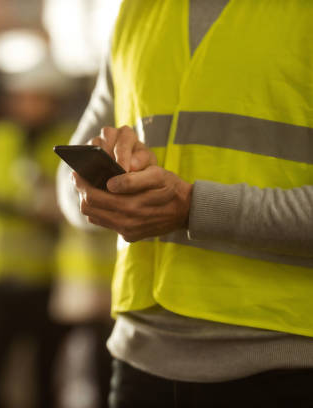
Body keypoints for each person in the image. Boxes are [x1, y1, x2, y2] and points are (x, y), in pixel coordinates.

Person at [57, 1, 313, 407]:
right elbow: (68, 190)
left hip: (290, 367)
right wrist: (108, 181)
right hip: (140, 360)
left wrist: (194, 207)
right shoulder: (138, 12)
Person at [0, 59, 75, 408]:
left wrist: (46, 206)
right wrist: (30, 204)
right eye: (22, 96)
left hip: (48, 278)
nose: (27, 104)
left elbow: (72, 201)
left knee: (46, 378)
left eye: (37, 97)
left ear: (53, 101)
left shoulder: (69, 140)